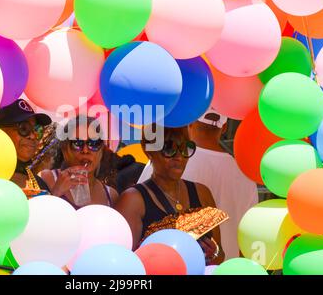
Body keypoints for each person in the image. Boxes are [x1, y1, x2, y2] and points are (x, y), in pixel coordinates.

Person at [137, 108, 258, 260]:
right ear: (225, 128)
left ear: (191, 123)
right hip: (227, 267)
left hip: (176, 264)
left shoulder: (169, 161)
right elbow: (249, 235)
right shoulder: (245, 175)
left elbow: (141, 203)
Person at [115, 125, 225, 265]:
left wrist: (213, 254)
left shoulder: (202, 193)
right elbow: (124, 263)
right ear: (149, 152)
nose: (179, 157)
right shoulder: (132, 200)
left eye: (185, 148)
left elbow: (220, 255)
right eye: (169, 149)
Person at [39, 116, 119, 209]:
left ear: (101, 150)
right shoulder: (47, 178)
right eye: (77, 143)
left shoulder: (111, 196)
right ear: (65, 150)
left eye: (93, 143)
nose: (85, 150)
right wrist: (56, 192)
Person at [0, 99, 53, 198]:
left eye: (37, 130)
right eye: (24, 128)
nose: (32, 136)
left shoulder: (40, 185)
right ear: (0, 130)